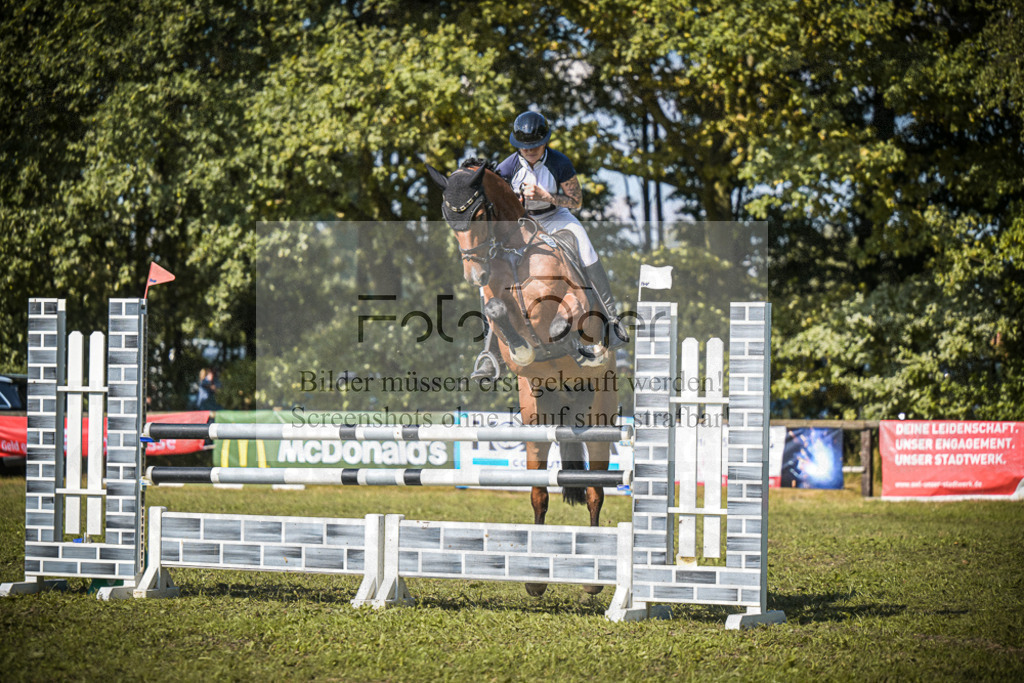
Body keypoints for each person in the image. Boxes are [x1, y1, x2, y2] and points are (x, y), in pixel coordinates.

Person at [471, 110, 628, 380]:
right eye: (525, 148)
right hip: (522, 224)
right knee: (488, 270)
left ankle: (611, 321)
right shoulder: (507, 168)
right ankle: (491, 350)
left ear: (544, 142)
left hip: (556, 217)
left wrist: (547, 196)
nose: (530, 152)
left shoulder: (559, 162)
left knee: (585, 245)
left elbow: (576, 200)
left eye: (535, 146)